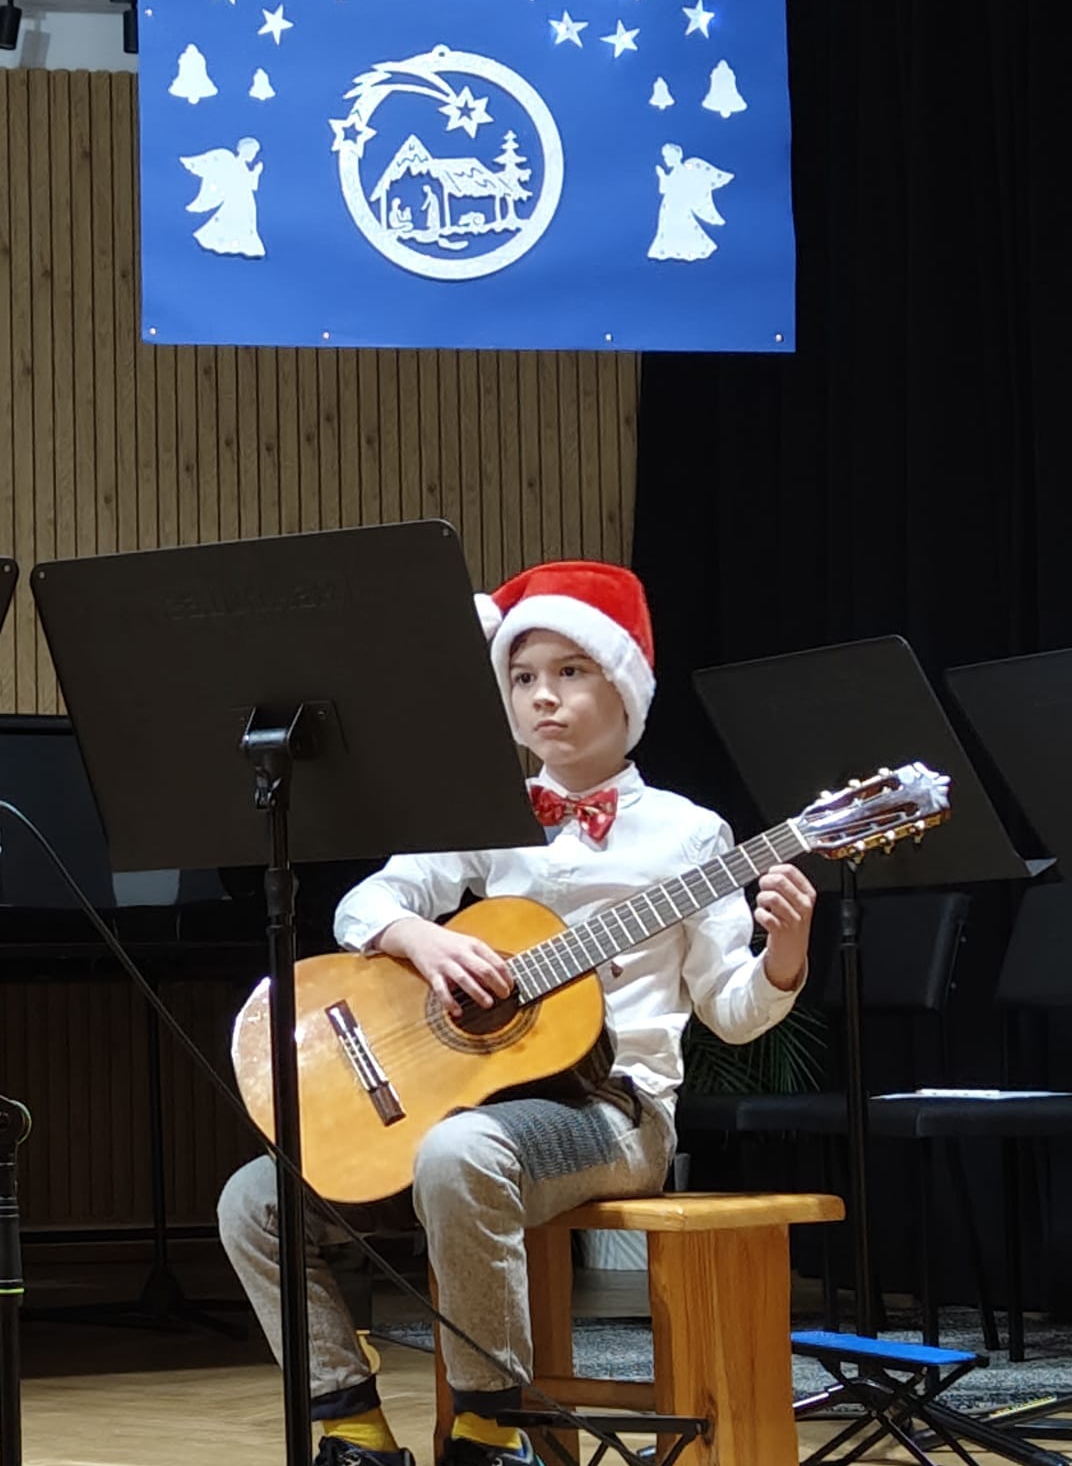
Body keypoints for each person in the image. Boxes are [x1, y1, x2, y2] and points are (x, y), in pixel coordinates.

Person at [218, 560, 817, 1466]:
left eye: (572, 672)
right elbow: (366, 905)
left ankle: (492, 1427)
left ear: (626, 688)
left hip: (613, 1112)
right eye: (524, 676)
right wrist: (422, 941)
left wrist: (786, 953)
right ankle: (349, 1424)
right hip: (464, 1110)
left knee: (460, 1154)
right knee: (253, 1200)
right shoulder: (484, 813)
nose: (544, 696)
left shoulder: (690, 835)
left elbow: (731, 1011)